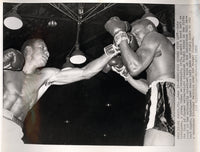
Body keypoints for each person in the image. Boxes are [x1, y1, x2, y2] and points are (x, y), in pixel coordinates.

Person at [2, 38, 119, 150]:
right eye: (42, 47)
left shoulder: (45, 75)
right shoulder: (5, 69)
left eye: (47, 50)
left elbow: (85, 72)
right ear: (28, 50)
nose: (47, 52)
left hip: (14, 130)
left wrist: (111, 52)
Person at [105, 17, 175, 145]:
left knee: (152, 145)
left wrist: (120, 35)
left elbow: (135, 67)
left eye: (137, 33)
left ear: (149, 28)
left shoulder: (153, 36)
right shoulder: (159, 62)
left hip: (166, 95)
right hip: (167, 95)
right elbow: (149, 89)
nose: (135, 39)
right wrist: (124, 72)